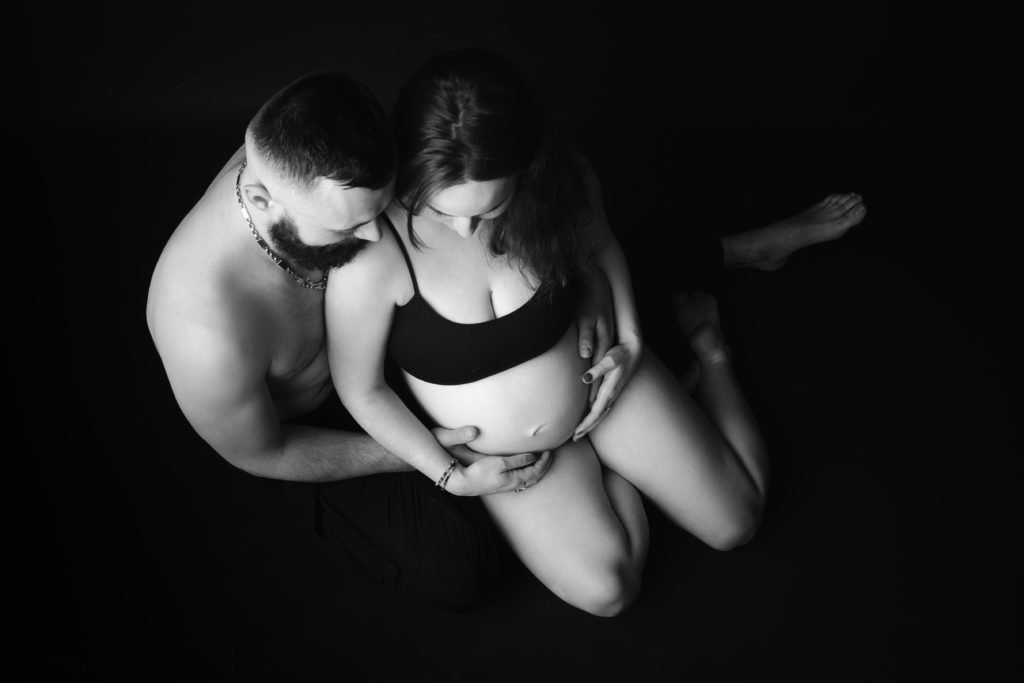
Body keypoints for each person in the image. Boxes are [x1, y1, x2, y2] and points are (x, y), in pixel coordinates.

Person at [147, 64, 863, 614]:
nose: (372, 237)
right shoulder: (208, 325)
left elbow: (592, 234)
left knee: (735, 520)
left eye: (382, 207)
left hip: (558, 364)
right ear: (266, 201)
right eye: (347, 234)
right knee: (486, 573)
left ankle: (723, 307)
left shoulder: (333, 165)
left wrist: (626, 330)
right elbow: (277, 443)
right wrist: (442, 464)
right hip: (376, 431)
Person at [326, 48, 776, 617]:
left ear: (525, 169)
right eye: (442, 212)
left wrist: (632, 339)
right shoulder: (373, 253)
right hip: (516, 457)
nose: (465, 228)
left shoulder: (559, 182)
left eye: (490, 208)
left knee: (738, 522)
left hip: (604, 386)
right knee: (607, 592)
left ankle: (712, 356)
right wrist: (449, 476)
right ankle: (621, 466)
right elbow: (361, 389)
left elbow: (603, 243)